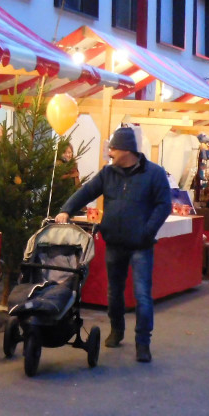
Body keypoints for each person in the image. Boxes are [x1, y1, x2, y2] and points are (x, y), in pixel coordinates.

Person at [55, 127, 171, 363]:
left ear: (126, 150)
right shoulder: (108, 173)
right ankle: (117, 330)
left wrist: (147, 232)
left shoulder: (154, 174)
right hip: (115, 242)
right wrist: (66, 209)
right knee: (114, 292)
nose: (109, 152)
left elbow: (164, 206)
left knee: (142, 294)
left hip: (141, 245)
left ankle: (143, 343)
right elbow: (87, 192)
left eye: (113, 149)